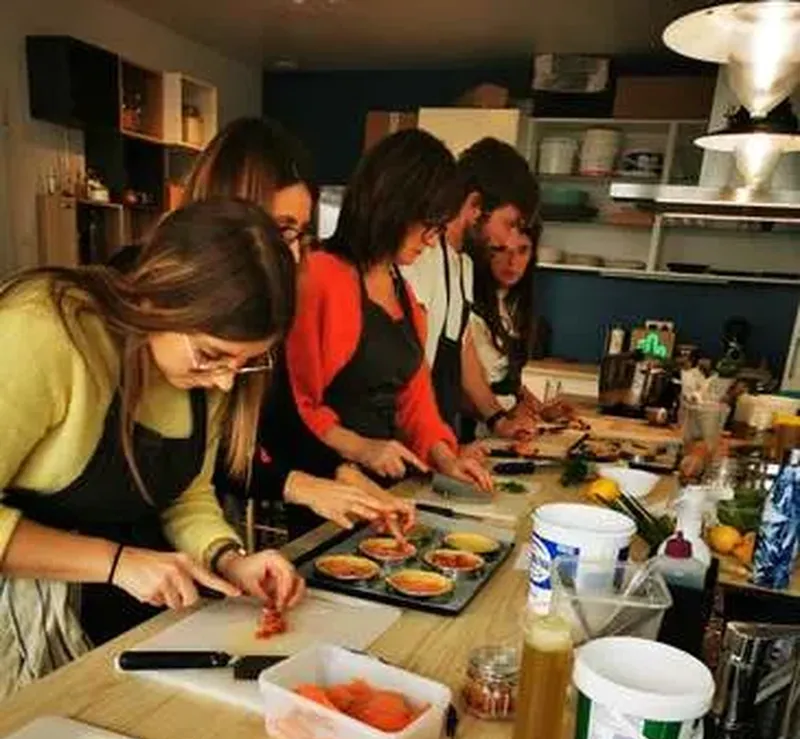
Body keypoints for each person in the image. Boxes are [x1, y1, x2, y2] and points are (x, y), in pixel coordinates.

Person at [0, 199, 305, 699]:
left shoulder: (207, 378)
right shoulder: (47, 331)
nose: (226, 383)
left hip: (121, 630)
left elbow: (187, 496)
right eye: (213, 356)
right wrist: (117, 562)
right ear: (160, 298)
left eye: (245, 364)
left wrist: (229, 557)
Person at [109, 117, 413, 534]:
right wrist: (301, 484)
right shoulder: (132, 291)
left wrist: (343, 474)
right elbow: (190, 463)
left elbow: (278, 420)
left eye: (299, 236)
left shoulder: (263, 304)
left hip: (188, 528)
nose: (289, 255)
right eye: (280, 230)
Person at [277, 129, 493, 496]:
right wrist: (362, 448)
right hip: (328, 485)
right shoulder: (320, 276)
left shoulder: (404, 293)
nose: (431, 241)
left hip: (389, 487)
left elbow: (416, 401)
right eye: (428, 226)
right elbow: (297, 404)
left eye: (438, 229)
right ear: (393, 207)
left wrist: (444, 455)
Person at [400, 138, 540, 441]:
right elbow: (411, 365)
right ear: (476, 206)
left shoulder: (462, 264)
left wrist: (497, 420)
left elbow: (463, 353)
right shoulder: (421, 257)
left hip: (435, 436)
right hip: (404, 438)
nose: (508, 239)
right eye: (510, 223)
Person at [469, 225, 548, 435]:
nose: (512, 262)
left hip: (499, 429)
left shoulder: (511, 304)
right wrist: (508, 414)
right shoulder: (469, 306)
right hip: (471, 431)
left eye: (523, 250)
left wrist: (539, 408)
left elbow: (505, 379)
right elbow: (463, 386)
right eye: (501, 250)